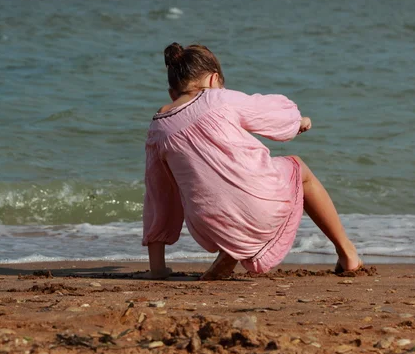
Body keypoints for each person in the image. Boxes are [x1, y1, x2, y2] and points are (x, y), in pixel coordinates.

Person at [141, 42, 362, 280]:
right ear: (214, 80)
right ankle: (347, 252)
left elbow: (159, 196)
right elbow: (270, 113)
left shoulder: (158, 128)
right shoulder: (218, 99)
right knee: (298, 168)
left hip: (210, 226)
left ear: (172, 92)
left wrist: (157, 268)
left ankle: (230, 251)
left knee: (217, 186)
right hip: (259, 207)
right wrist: (297, 121)